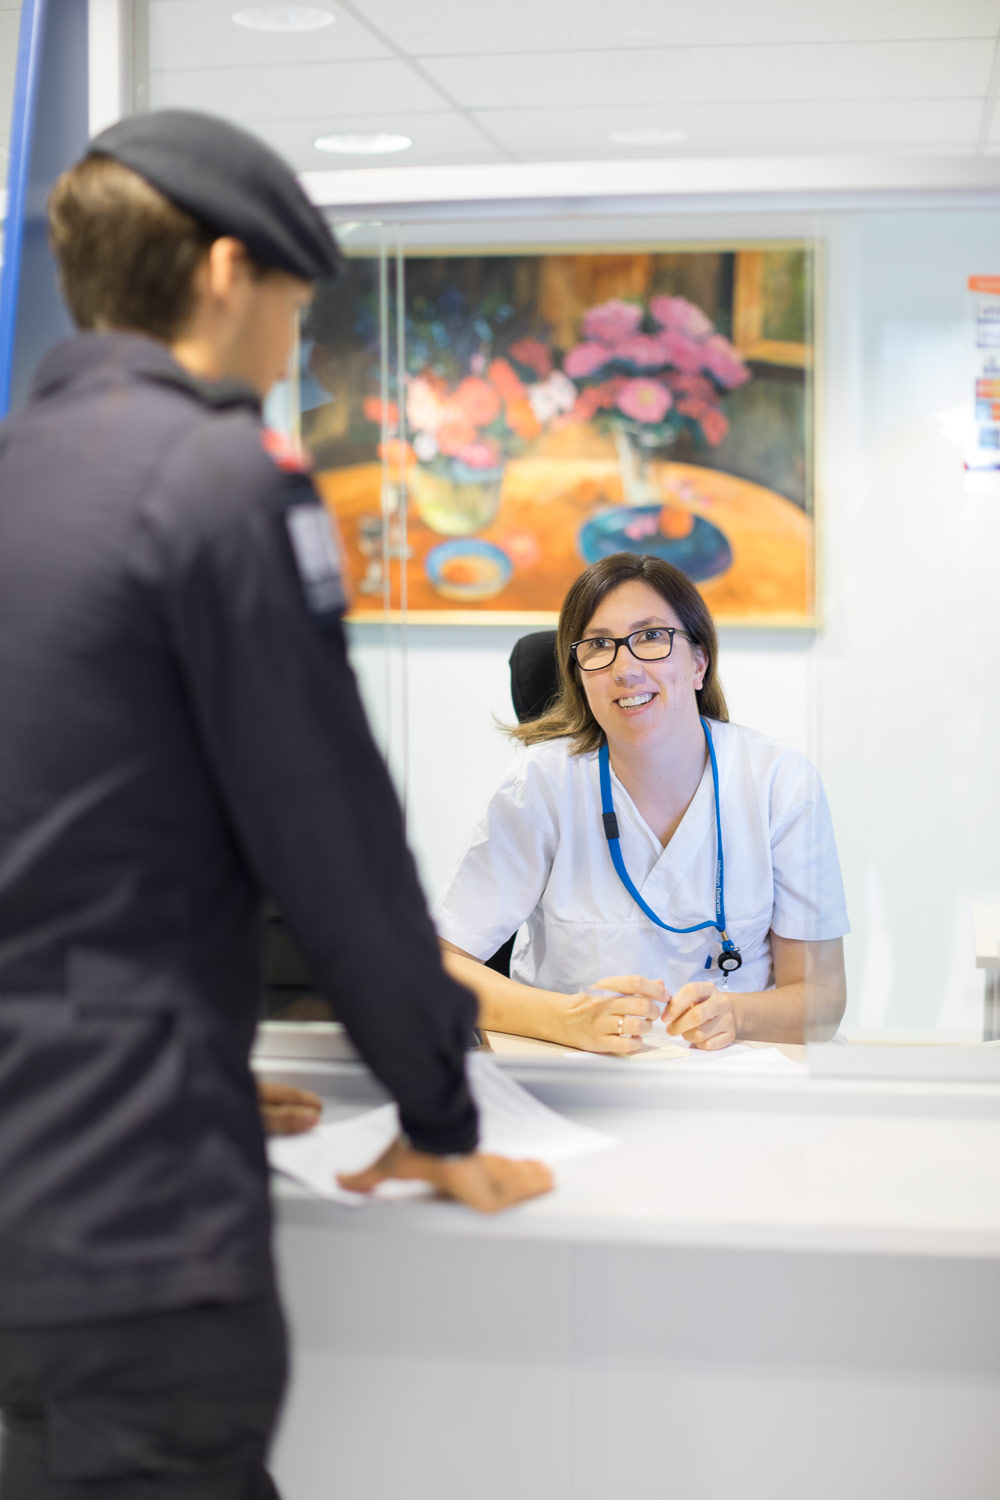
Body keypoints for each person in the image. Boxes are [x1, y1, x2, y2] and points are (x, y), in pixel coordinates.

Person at [0, 109, 549, 1500]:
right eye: (296, 307)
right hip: (138, 1232)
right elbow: (333, 838)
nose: (291, 345)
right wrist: (440, 1115)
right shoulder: (218, 480)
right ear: (227, 273)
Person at [435, 552, 849, 1054]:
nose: (624, 668)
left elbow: (822, 998)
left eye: (651, 637)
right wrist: (567, 1019)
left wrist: (736, 1014)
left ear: (699, 661)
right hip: (573, 1073)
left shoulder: (779, 783)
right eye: (599, 645)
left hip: (734, 1083)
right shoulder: (541, 784)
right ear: (580, 675)